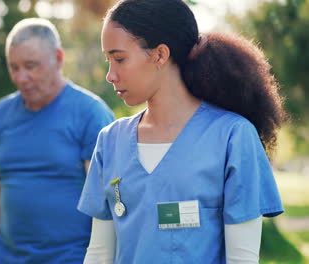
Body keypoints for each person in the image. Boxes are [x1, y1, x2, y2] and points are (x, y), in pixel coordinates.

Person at [77, 0, 287, 263]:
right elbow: (99, 253)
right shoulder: (110, 140)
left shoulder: (233, 137)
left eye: (119, 59)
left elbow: (242, 259)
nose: (110, 75)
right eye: (108, 60)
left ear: (160, 55)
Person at [0, 18, 114, 264]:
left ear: (59, 59)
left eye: (31, 66)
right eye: (14, 67)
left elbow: (107, 206)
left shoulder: (90, 114)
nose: (21, 78)